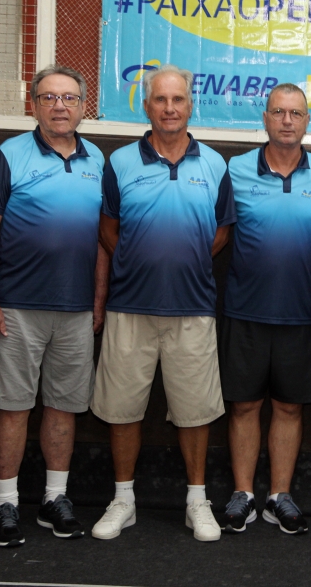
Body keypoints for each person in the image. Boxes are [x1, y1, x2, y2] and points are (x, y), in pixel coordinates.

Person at [89, 64, 236, 543]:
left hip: (192, 307)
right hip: (129, 307)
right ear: (147, 106)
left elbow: (220, 232)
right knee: (122, 408)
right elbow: (108, 229)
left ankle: (197, 501)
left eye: (178, 100)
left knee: (196, 411)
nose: (170, 108)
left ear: (191, 105)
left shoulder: (214, 165)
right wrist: (141, 261)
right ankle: (123, 500)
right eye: (160, 99)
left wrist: (183, 260)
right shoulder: (119, 163)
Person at [0, 65, 105, 547]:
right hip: (17, 309)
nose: (59, 106)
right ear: (34, 105)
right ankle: (5, 505)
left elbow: (104, 239)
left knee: (64, 407)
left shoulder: (98, 161)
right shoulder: (10, 154)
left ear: (83, 107)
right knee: (13, 408)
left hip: (75, 311)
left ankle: (54, 499)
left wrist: (98, 300)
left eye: (69, 98)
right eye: (49, 97)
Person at [218, 84, 311, 534]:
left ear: (307, 121)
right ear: (265, 118)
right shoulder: (234, 169)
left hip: (301, 316)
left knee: (289, 408)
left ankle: (279, 496)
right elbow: (216, 233)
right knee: (244, 406)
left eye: (296, 113)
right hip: (245, 311)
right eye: (279, 112)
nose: (287, 120)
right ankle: (243, 494)